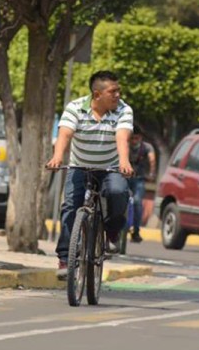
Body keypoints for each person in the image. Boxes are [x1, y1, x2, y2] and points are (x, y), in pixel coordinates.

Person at [46, 70, 134, 277]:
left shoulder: (124, 110)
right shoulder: (75, 108)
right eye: (112, 92)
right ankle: (65, 259)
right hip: (80, 166)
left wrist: (124, 162)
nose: (117, 95)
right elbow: (65, 133)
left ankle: (111, 232)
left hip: (111, 167)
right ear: (97, 95)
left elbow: (122, 137)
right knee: (70, 205)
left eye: (118, 91)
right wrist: (58, 156)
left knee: (118, 192)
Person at [126, 127, 156, 243]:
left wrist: (152, 174)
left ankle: (136, 231)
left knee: (138, 202)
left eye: (136, 138)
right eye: (132, 138)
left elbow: (152, 160)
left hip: (139, 178)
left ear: (141, 138)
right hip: (125, 178)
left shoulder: (146, 147)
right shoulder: (125, 145)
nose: (134, 141)